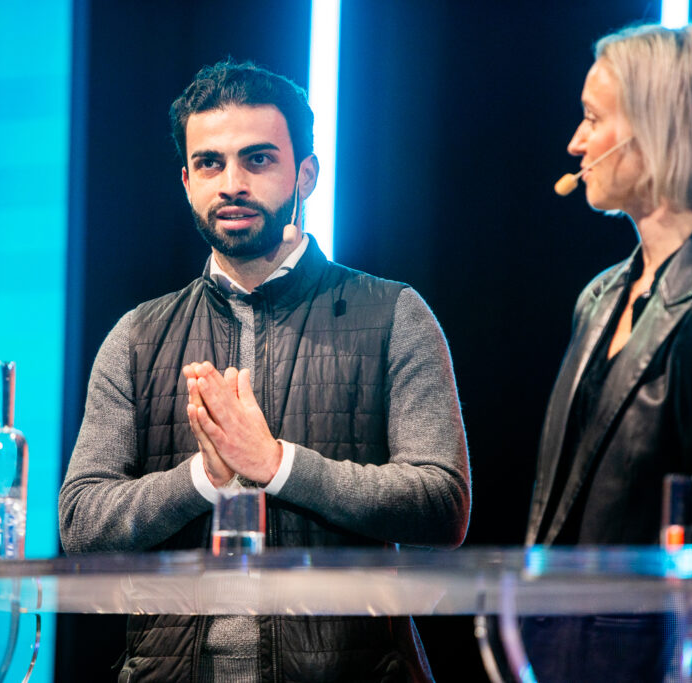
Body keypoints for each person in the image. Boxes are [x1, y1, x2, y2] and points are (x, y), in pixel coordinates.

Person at [58, 59, 471, 682]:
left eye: (258, 160)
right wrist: (202, 476)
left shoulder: (393, 314)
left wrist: (277, 465)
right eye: (209, 164)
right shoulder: (137, 335)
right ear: (186, 180)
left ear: (306, 175)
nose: (231, 183)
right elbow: (81, 523)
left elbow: (441, 503)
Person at [522, 23, 692, 682]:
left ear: (658, 132)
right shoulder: (600, 296)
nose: (575, 142)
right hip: (555, 653)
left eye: (593, 118)